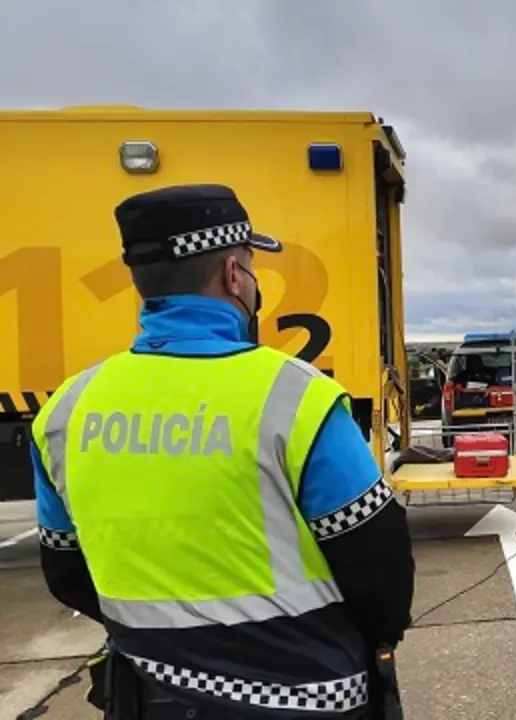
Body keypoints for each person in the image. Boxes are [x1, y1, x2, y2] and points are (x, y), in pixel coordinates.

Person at [31, 184, 416, 719]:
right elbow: (379, 563)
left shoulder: (66, 409)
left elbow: (66, 571)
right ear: (234, 275)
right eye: (252, 268)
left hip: (149, 697)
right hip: (306, 696)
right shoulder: (296, 396)